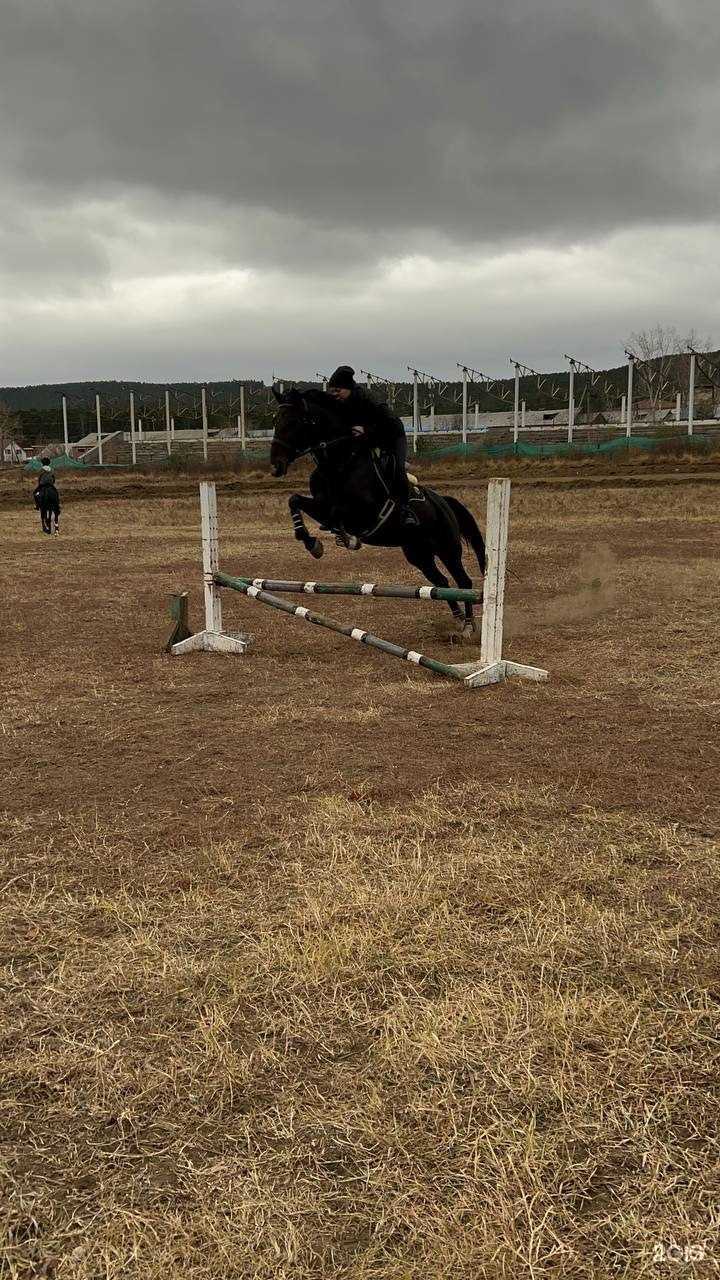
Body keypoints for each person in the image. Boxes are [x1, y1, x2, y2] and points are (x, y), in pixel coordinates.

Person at [327, 366, 417, 526]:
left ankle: (406, 509)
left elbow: (388, 423)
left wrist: (366, 429)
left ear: (347, 388)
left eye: (337, 390)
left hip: (392, 435)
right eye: (331, 391)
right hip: (368, 439)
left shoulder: (368, 398)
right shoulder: (340, 403)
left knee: (397, 469)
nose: (334, 395)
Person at [33, 458, 61, 535]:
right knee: (56, 493)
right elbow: (53, 479)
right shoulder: (52, 470)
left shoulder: (41, 470)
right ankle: (57, 503)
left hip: (42, 486)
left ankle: (37, 505)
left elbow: (39, 480)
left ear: (42, 463)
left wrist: (40, 484)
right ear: (49, 463)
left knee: (35, 493)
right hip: (50, 486)